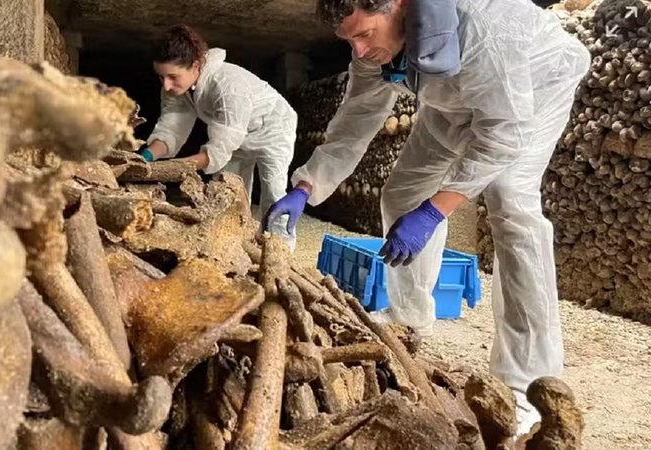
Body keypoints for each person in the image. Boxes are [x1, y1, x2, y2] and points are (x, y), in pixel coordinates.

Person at [262, 0, 590, 434]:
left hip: (534, 83)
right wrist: (305, 187)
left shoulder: (483, 30)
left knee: (511, 205)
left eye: (364, 34)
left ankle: (527, 382)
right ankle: (410, 315)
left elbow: (501, 136)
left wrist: (435, 212)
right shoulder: (373, 50)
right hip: (452, 100)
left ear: (397, 6)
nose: (358, 51)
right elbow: (357, 118)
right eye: (349, 40)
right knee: (402, 192)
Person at [139, 24, 298, 248]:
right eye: (161, 77)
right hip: (235, 134)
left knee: (273, 190)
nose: (166, 85)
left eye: (173, 76)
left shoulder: (227, 85)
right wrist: (146, 156)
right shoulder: (175, 86)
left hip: (273, 128)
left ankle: (281, 249)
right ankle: (235, 245)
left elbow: (220, 147)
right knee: (228, 191)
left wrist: (175, 168)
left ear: (195, 65)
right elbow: (172, 126)